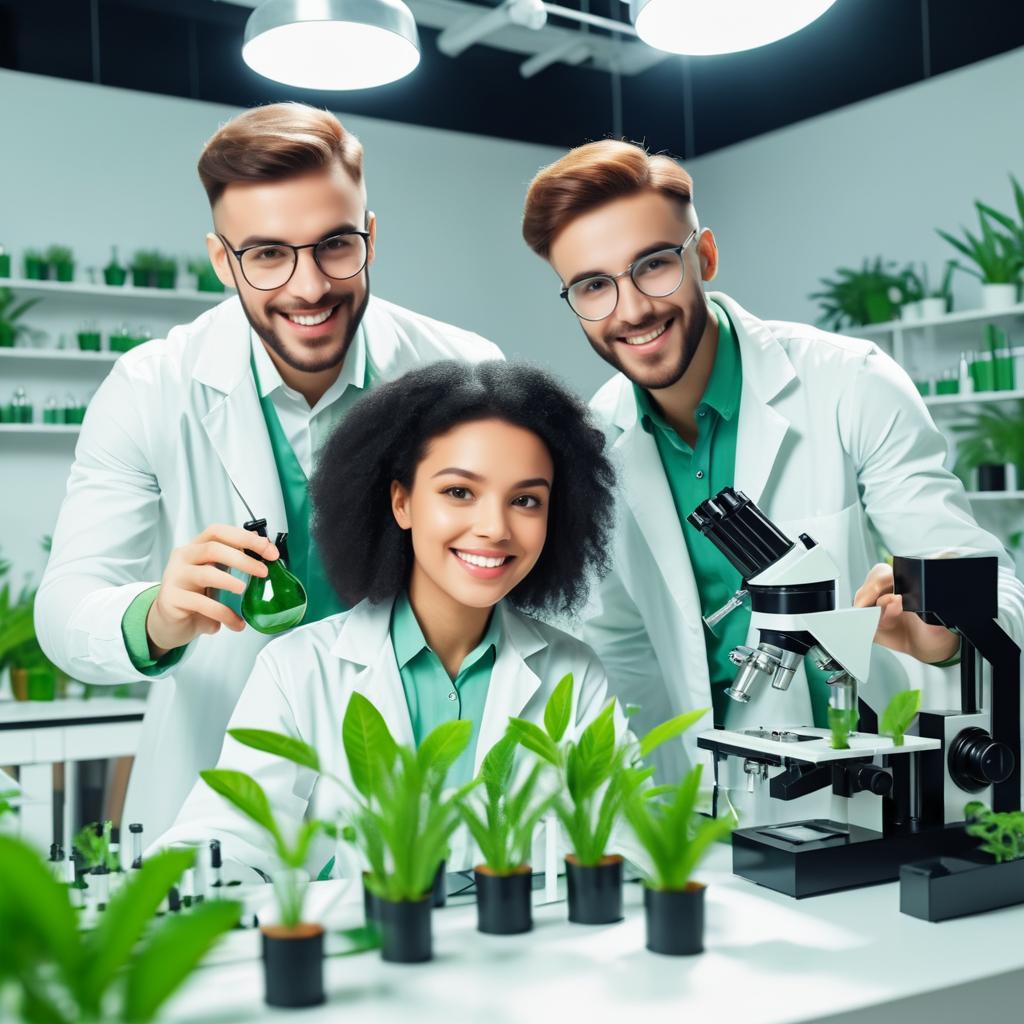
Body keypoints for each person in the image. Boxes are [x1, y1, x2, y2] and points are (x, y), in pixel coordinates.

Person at [35, 103, 502, 839]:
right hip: (223, 770)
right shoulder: (152, 386)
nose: (308, 287)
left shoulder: (468, 375)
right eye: (267, 255)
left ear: (370, 237)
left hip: (422, 770)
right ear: (223, 260)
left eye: (334, 246)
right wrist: (156, 616)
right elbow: (64, 611)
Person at [521, 139, 1024, 784]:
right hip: (711, 801)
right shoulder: (593, 439)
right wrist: (662, 806)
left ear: (704, 255)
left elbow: (994, 585)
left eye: (653, 265)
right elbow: (623, 644)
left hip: (878, 779)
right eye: (594, 286)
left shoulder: (852, 383)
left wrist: (948, 632)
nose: (633, 308)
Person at [156, 360, 621, 878]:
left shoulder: (574, 674)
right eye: (459, 492)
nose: (494, 527)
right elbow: (229, 836)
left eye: (526, 500)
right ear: (401, 502)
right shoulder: (297, 669)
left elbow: (621, 835)